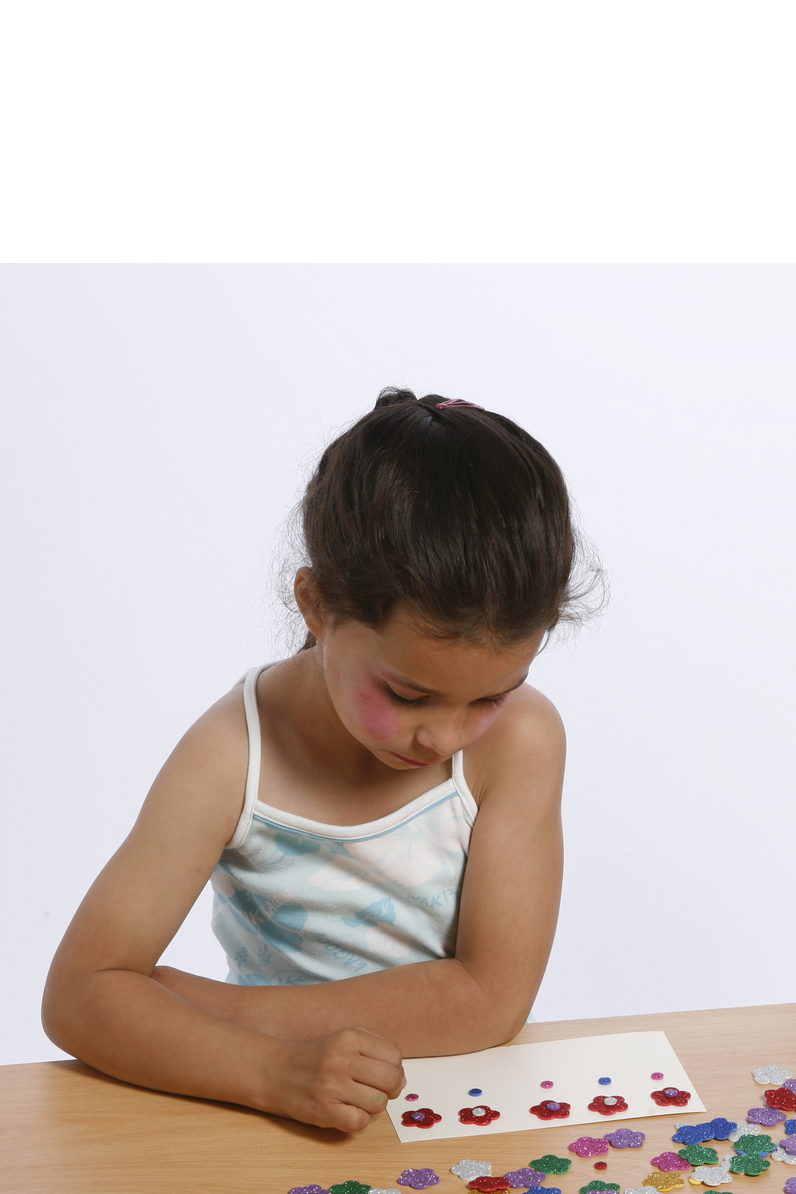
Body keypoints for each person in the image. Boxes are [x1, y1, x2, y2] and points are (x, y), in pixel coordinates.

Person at [43, 389, 597, 1132]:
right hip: (272, 1117)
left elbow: (491, 1000)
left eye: (490, 697)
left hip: (461, 1119)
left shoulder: (521, 741)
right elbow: (79, 994)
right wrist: (270, 1070)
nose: (445, 737)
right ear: (317, 604)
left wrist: (229, 1013)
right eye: (408, 695)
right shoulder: (232, 758)